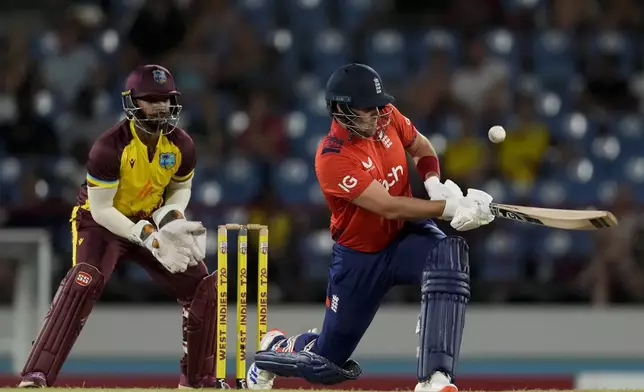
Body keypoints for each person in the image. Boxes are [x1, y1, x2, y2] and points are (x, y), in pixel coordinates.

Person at [245, 63, 495, 392]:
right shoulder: (332, 157)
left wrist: (435, 184)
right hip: (360, 258)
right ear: (340, 109)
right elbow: (388, 205)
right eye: (367, 108)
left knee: (447, 256)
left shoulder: (386, 114)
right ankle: (273, 351)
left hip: (406, 236)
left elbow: (422, 148)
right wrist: (449, 208)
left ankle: (436, 378)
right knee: (327, 365)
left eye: (379, 105)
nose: (378, 115)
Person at [18, 65, 221, 389]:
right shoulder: (109, 147)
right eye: (150, 100)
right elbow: (102, 209)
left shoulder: (182, 145)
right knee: (84, 281)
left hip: (151, 220)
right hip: (101, 223)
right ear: (132, 102)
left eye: (165, 99)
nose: (160, 107)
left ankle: (198, 381)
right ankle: (36, 375)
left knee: (202, 287)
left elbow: (180, 189)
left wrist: (170, 219)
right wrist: (148, 237)